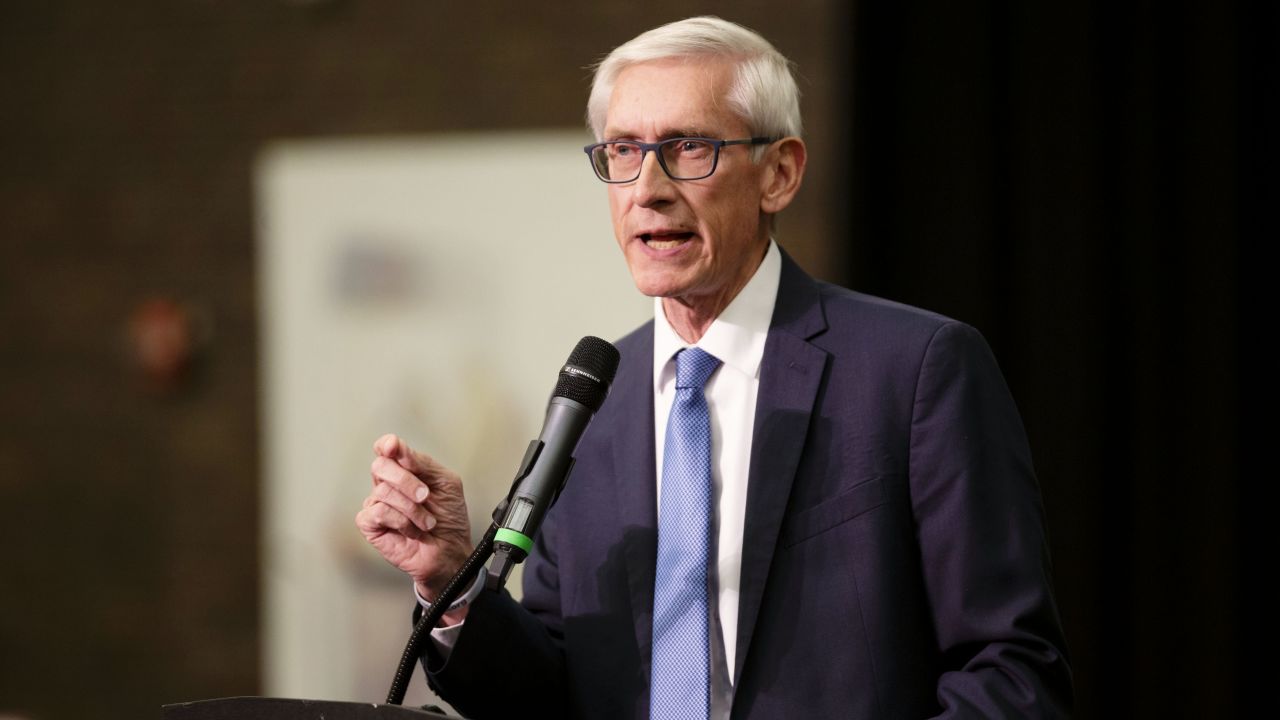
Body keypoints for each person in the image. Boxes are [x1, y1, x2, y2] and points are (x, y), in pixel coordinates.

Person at [356, 16, 1072, 719]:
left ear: (780, 173)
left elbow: (1008, 670)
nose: (648, 188)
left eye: (689, 148)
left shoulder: (914, 371)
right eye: (624, 152)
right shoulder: (595, 399)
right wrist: (452, 580)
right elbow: (554, 692)